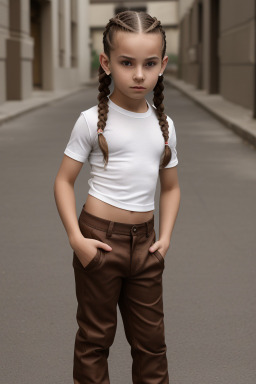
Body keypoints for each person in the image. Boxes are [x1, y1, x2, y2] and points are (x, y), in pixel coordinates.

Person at [53, 10, 181, 384]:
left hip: (146, 246)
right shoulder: (92, 121)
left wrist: (166, 238)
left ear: (162, 66)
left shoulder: (165, 126)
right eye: (127, 63)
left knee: (151, 345)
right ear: (107, 63)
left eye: (149, 63)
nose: (139, 74)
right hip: (99, 241)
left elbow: (170, 187)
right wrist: (77, 240)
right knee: (95, 340)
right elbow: (63, 181)